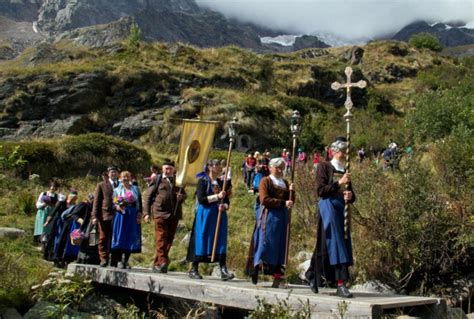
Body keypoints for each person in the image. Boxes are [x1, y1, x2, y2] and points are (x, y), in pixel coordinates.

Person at [305, 137, 356, 298]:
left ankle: (313, 274)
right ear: (334, 151)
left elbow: (352, 194)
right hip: (328, 206)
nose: (345, 154)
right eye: (343, 151)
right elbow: (320, 190)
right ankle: (341, 283)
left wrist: (350, 195)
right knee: (336, 242)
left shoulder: (346, 169)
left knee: (327, 243)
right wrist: (339, 182)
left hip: (342, 207)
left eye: (347, 151)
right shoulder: (324, 166)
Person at [245, 157, 295, 288]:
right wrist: (283, 203)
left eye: (281, 168)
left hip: (282, 217)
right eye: (277, 167)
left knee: (279, 245)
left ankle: (277, 275)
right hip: (269, 215)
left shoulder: (285, 182)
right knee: (265, 242)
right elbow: (264, 199)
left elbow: (291, 202)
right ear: (271, 167)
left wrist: (292, 191)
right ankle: (256, 268)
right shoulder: (265, 181)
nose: (279, 170)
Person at [186, 159, 234, 281]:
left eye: (219, 165)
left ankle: (223, 269)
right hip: (206, 214)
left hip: (219, 215)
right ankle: (194, 268)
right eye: (217, 165)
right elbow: (201, 199)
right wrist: (216, 197)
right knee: (202, 238)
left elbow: (227, 201)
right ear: (210, 167)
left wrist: (225, 206)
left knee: (220, 239)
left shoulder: (220, 183)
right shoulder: (203, 181)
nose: (219, 168)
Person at [144, 160, 186, 273]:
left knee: (169, 239)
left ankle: (157, 263)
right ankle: (163, 261)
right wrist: (146, 213)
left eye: (170, 169)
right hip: (160, 213)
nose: (168, 171)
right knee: (161, 237)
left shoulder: (178, 181)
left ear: (173, 170)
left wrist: (181, 197)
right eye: (166, 168)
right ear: (162, 169)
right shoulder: (157, 179)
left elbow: (184, 195)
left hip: (174, 214)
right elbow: (148, 196)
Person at [110, 171, 142, 269]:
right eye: (124, 177)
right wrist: (117, 207)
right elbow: (113, 203)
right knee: (120, 236)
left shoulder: (136, 189)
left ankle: (126, 261)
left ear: (130, 177)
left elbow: (139, 203)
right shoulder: (116, 190)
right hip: (121, 214)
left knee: (130, 236)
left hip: (132, 214)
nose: (126, 178)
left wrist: (140, 213)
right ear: (120, 178)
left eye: (127, 176)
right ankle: (119, 261)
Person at [92, 167, 120, 267]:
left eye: (115, 172)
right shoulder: (102, 185)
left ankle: (115, 260)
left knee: (116, 238)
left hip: (118, 215)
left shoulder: (121, 184)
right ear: (108, 174)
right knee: (103, 237)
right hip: (104, 215)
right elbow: (96, 201)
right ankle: (103, 258)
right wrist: (94, 216)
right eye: (112, 172)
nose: (113, 174)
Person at [51, 190, 81, 268]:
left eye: (75, 197)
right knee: (59, 241)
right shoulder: (63, 203)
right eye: (72, 196)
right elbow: (63, 215)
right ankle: (56, 258)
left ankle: (64, 260)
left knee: (67, 242)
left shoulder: (75, 205)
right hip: (64, 225)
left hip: (70, 225)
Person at [77, 194, 100, 265]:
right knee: (89, 242)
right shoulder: (89, 206)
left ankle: (90, 260)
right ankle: (84, 259)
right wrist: (81, 229)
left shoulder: (100, 205)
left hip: (96, 226)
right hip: (91, 226)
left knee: (93, 243)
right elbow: (86, 217)